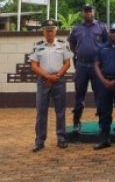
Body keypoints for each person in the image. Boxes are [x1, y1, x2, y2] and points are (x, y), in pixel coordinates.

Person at [29, 19, 72, 152]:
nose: (50, 33)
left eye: (52, 30)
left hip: (59, 80)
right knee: (41, 111)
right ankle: (39, 140)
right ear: (43, 32)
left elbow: (67, 63)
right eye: (47, 31)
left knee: (60, 111)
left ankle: (61, 138)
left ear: (55, 31)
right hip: (43, 81)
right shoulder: (37, 46)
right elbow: (34, 66)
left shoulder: (63, 44)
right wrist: (48, 77)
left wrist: (56, 76)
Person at [67, 4, 105, 133]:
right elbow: (72, 44)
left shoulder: (101, 27)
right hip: (81, 66)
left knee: (99, 95)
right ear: (82, 13)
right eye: (86, 11)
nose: (88, 13)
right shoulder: (76, 28)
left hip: (96, 66)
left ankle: (102, 122)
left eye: (90, 11)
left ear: (94, 12)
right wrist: (79, 53)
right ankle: (76, 121)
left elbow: (106, 44)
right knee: (79, 95)